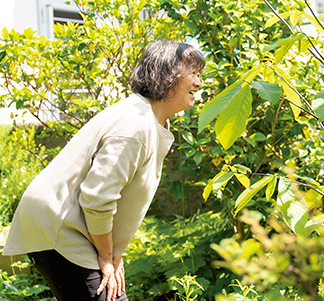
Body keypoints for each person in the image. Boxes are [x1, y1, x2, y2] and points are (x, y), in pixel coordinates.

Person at [2, 40, 205, 301]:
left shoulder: (147, 118)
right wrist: (107, 258)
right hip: (61, 227)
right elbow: (97, 198)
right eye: (193, 73)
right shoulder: (137, 124)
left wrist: (113, 254)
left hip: (73, 227)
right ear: (167, 75)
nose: (199, 83)